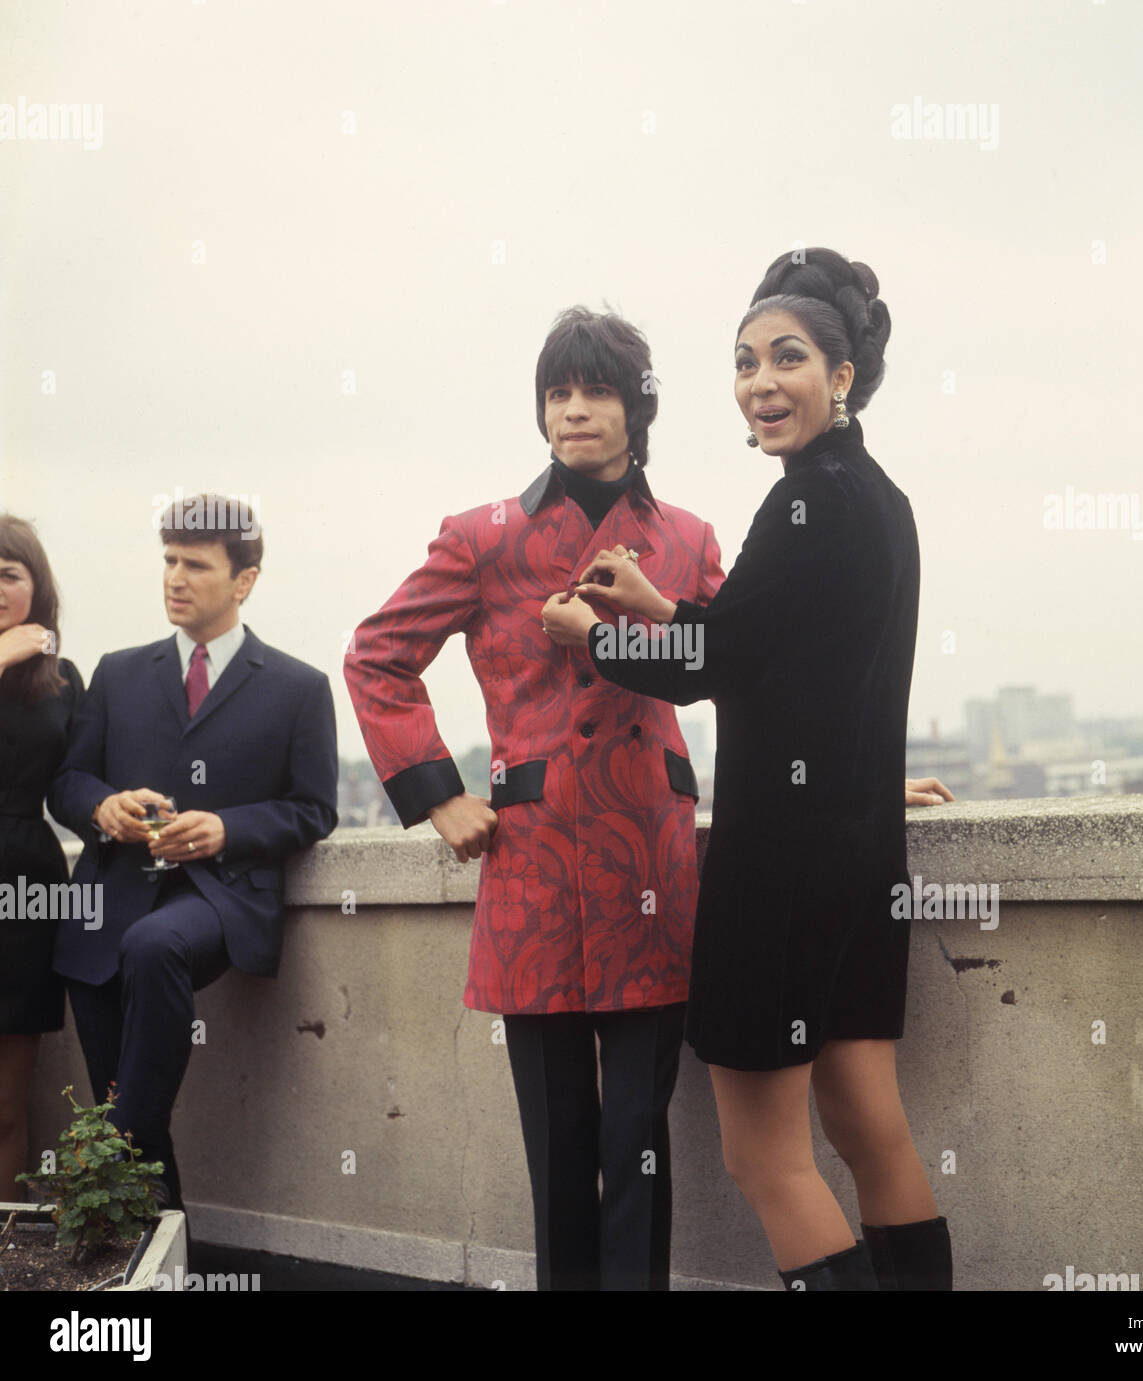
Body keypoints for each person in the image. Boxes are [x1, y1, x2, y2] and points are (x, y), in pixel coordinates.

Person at [541, 248, 954, 1291]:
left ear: (843, 374)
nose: (761, 382)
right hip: (862, 861)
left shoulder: (806, 500)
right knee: (870, 1129)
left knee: (764, 1157)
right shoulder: (882, 500)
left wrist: (593, 636)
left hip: (779, 871)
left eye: (788, 358)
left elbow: (709, 666)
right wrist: (657, 602)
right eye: (744, 362)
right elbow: (773, 649)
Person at [344, 307, 726, 1290]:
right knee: (557, 1142)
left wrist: (853, 769)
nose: (575, 410)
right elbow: (378, 656)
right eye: (558, 393)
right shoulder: (486, 536)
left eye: (597, 391)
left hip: (650, 862)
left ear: (638, 408)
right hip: (534, 870)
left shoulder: (686, 539)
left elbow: (741, 668)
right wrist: (438, 794)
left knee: (639, 1135)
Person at [48, 495, 338, 1218]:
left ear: (245, 580)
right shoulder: (118, 672)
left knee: (153, 947)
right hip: (109, 898)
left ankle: (106, 1169)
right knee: (121, 1095)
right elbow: (68, 781)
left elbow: (314, 809)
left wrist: (224, 828)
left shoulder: (299, 687)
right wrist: (103, 807)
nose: (175, 577)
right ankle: (154, 1234)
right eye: (169, 560)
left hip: (219, 897)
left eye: (196, 565)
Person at [0, 516, 84, 1198]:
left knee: (8, 1101)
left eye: (8, 574)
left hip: (26, 885)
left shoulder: (63, 680)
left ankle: (6, 1236)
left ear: (38, 587)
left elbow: (77, 786)